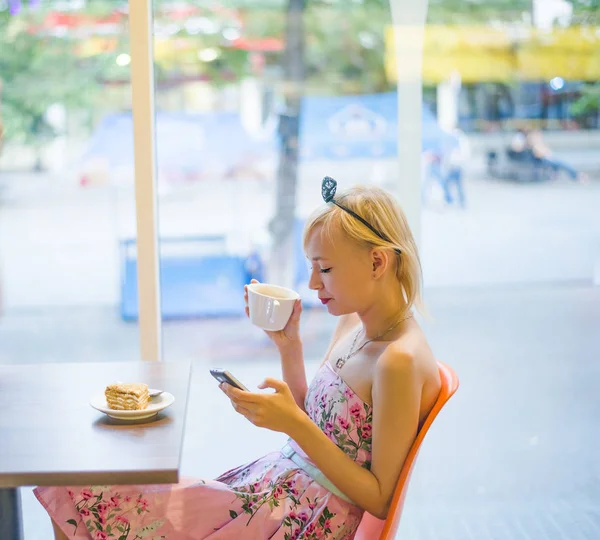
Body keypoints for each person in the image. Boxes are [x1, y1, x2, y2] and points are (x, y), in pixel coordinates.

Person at [35, 177, 442, 540]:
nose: (313, 283)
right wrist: (289, 346)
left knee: (87, 491)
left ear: (377, 262)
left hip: (299, 519)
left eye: (326, 268)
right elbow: (317, 424)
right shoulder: (353, 325)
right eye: (311, 268)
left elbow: (381, 498)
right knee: (86, 487)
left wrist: (294, 425)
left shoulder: (398, 362)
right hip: (270, 493)